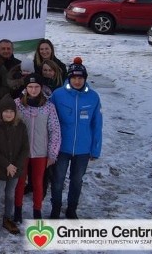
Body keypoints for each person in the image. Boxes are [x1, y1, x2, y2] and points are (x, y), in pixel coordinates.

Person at [49, 59, 102, 220]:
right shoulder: (58, 95)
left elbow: (97, 124)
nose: (77, 81)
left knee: (76, 181)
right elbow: (50, 122)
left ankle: (72, 209)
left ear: (85, 78)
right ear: (69, 78)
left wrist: (95, 149)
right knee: (57, 180)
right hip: (61, 148)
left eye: (80, 78)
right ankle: (56, 209)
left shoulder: (93, 97)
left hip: (83, 149)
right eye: (74, 78)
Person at [14, 75, 60, 221]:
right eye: (30, 87)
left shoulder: (48, 106)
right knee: (20, 181)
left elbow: (55, 130)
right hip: (22, 152)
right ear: (25, 88)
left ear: (41, 88)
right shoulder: (18, 104)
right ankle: (17, 210)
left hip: (41, 151)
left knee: (38, 182)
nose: (33, 90)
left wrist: (52, 153)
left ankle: (37, 210)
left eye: (36, 87)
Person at [0, 95, 29, 235]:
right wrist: (7, 165)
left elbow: (25, 148)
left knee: (10, 194)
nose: (9, 114)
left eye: (11, 111)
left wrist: (15, 165)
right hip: (0, 168)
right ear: (1, 112)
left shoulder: (21, 127)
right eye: (6, 111)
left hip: (15, 169)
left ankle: (8, 218)